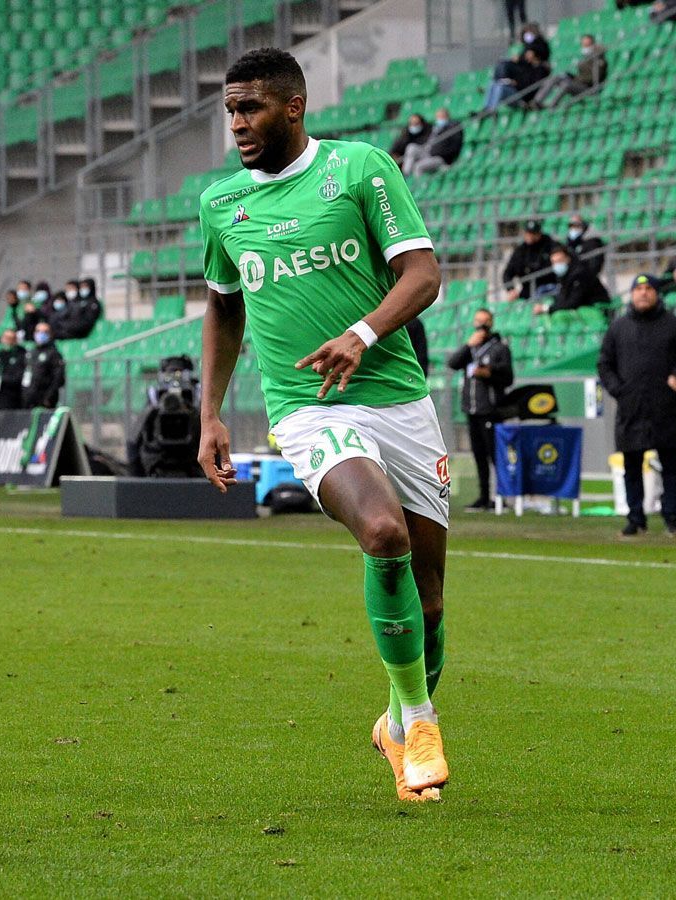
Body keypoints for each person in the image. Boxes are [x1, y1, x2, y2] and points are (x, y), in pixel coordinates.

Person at [198, 48, 450, 802]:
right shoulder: (222, 204)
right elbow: (223, 303)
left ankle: (394, 727)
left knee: (430, 598)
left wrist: (362, 334)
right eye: (230, 111)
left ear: (294, 107)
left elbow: (424, 274)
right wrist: (209, 411)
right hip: (307, 407)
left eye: (251, 108)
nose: (238, 124)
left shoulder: (361, 170)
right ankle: (421, 721)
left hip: (398, 395)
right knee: (383, 534)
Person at [596, 274, 676, 537]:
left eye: (648, 289)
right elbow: (604, 363)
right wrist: (616, 389)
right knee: (631, 465)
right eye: (638, 289)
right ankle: (635, 518)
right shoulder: (619, 327)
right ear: (632, 294)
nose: (643, 293)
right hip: (631, 406)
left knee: (670, 464)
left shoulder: (673, 324)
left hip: (664, 406)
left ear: (656, 293)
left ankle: (672, 518)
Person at [445, 308, 512, 511]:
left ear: (491, 324)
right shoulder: (471, 349)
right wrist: (468, 345)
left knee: (494, 455)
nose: (480, 326)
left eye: (484, 322)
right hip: (471, 409)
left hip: (489, 409)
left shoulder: (499, 348)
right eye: (477, 322)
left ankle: (501, 497)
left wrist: (488, 373)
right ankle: (483, 496)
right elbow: (452, 363)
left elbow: (508, 377)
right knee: (479, 455)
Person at [532, 246, 609, 314]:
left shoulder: (580, 274)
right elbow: (564, 298)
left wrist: (547, 308)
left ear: (568, 259)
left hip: (597, 311)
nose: (557, 265)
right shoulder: (565, 275)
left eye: (560, 261)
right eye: (554, 262)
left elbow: (573, 302)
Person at [537, 34, 608, 107]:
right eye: (583, 45)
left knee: (566, 84)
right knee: (556, 78)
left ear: (593, 45)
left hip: (589, 88)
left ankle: (552, 105)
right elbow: (582, 75)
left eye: (587, 45)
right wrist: (571, 76)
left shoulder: (598, 60)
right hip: (579, 83)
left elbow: (593, 79)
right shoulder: (585, 59)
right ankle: (537, 101)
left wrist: (576, 79)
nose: (585, 47)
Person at [501, 220, 559, 300]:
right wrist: (511, 289)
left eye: (533, 233)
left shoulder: (550, 245)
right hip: (527, 291)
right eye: (528, 233)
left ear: (539, 233)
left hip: (548, 288)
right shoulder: (521, 250)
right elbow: (508, 272)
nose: (530, 236)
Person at [401, 107, 462, 175]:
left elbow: (455, 147)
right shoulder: (435, 128)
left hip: (440, 158)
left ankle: (419, 185)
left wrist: (442, 154)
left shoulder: (452, 129)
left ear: (447, 117)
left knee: (418, 166)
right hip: (429, 153)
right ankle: (405, 174)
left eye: (441, 117)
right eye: (438, 117)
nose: (439, 119)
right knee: (411, 147)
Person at [24, 321, 66, 408]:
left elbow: (58, 378)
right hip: (29, 398)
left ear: (50, 334)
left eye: (45, 332)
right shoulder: (31, 353)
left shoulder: (54, 354)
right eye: (38, 331)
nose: (41, 334)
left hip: (45, 400)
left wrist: (48, 397)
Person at [0, 327, 28, 410]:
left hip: (12, 396)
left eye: (11, 339)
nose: (8, 341)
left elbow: (19, 377)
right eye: (6, 338)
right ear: (2, 339)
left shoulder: (21, 356)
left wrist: (2, 379)